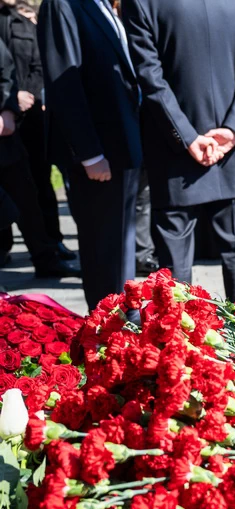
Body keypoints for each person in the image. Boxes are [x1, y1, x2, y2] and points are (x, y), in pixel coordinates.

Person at [122, 0, 235, 301]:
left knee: (175, 265)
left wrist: (187, 137)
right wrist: (233, 130)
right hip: (225, 149)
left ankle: (178, 331)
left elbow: (150, 76)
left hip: (172, 148)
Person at [38, 0, 142, 309]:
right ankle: (107, 327)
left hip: (121, 146)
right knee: (105, 254)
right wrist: (90, 153)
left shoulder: (102, 5)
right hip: (100, 153)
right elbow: (65, 84)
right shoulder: (63, 4)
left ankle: (121, 321)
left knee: (120, 251)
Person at [0, 0, 76, 266]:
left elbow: (36, 65)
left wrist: (20, 99)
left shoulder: (22, 22)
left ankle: (49, 248)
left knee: (35, 187)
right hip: (7, 116)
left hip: (26, 118)